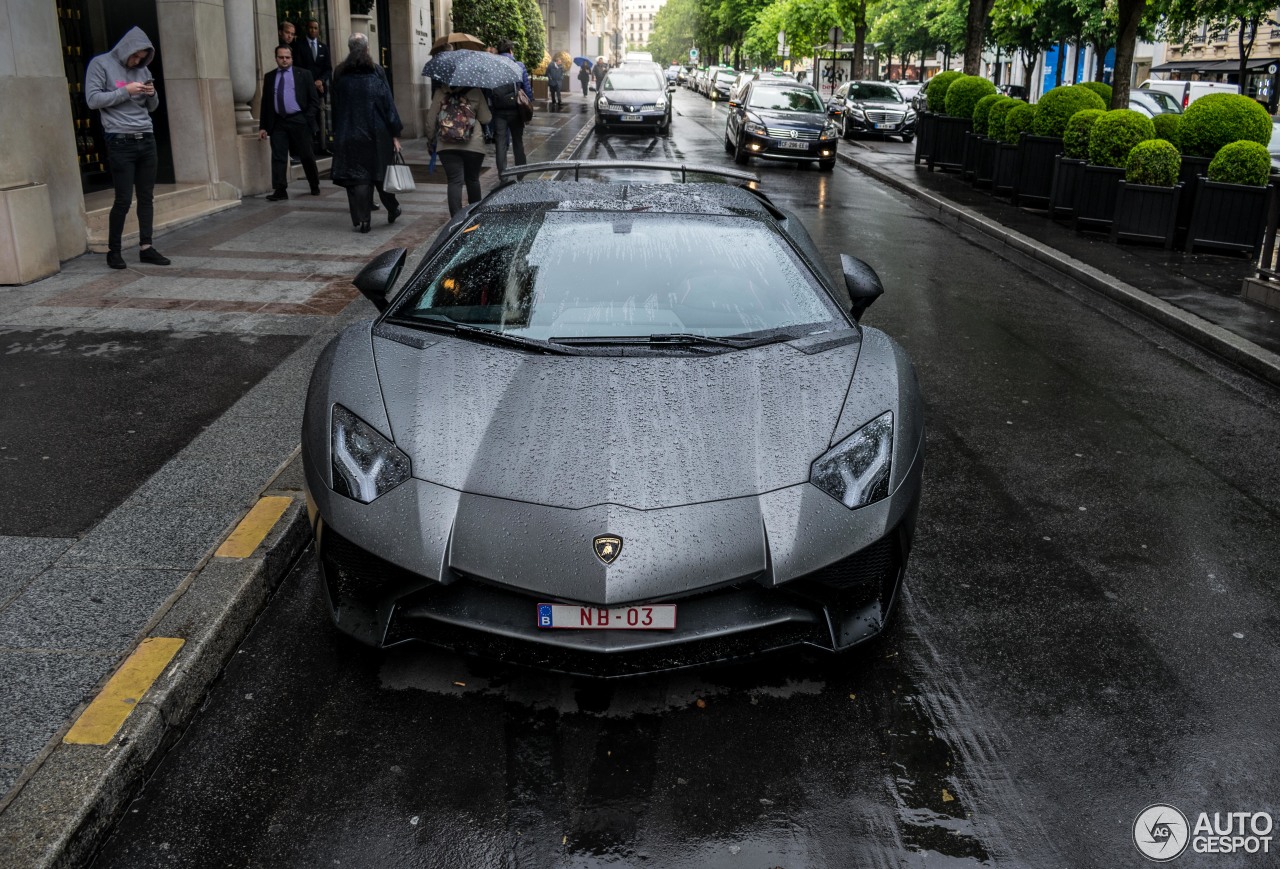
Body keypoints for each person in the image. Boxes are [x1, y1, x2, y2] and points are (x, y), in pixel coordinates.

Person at [84, 26, 170, 269]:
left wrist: (151, 94)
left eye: (141, 58)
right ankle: (115, 251)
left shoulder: (143, 69)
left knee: (146, 197)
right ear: (126, 48)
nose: (136, 61)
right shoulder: (100, 64)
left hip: (147, 138)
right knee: (122, 199)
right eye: (134, 56)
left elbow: (152, 107)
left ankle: (146, 247)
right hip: (120, 140)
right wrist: (125, 91)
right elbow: (92, 100)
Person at [330, 33, 403, 233]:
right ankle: (393, 207)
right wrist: (395, 132)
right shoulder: (376, 72)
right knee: (380, 177)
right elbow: (388, 104)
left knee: (359, 177)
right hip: (377, 133)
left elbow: (336, 106)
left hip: (350, 132)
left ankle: (363, 219)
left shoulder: (340, 73)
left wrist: (337, 132)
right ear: (367, 48)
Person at [258, 44, 320, 201]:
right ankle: (280, 190)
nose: (284, 60)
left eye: (287, 57)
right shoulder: (270, 77)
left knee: (306, 155)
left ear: (292, 58)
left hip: (299, 119)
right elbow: (265, 103)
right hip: (278, 121)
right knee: (278, 156)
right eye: (281, 57)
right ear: (276, 58)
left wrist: (307, 119)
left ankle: (314, 184)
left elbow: (314, 101)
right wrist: (263, 126)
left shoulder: (304, 74)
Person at [426, 83, 492, 216]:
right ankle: (474, 216)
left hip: (446, 145)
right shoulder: (475, 91)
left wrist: (430, 139)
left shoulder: (440, 92)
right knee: (472, 179)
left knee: (454, 181)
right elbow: (486, 118)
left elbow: (430, 120)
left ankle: (456, 220)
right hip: (474, 146)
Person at [490, 39, 532, 174]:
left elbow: (488, 90)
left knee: (500, 144)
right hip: (516, 110)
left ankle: (503, 174)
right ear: (510, 50)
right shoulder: (518, 65)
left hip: (498, 111)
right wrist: (528, 104)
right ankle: (521, 172)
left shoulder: (492, 66)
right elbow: (527, 88)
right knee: (518, 142)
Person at [297, 19, 332, 154]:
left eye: (315, 28)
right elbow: (299, 68)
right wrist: (312, 83)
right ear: (307, 29)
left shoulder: (324, 47)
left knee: (321, 116)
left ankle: (323, 146)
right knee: (308, 116)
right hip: (305, 89)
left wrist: (320, 81)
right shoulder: (299, 46)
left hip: (320, 89)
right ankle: (308, 147)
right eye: (311, 28)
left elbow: (328, 69)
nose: (313, 30)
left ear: (319, 30)